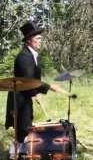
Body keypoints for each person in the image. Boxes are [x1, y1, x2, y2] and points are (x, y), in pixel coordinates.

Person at [5, 21, 63, 152]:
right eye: (37, 38)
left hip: (26, 96)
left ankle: (19, 156)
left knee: (26, 127)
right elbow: (29, 80)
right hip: (19, 99)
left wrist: (35, 93)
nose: (40, 40)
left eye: (40, 38)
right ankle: (11, 159)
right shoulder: (24, 57)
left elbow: (33, 79)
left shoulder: (32, 55)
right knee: (22, 130)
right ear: (29, 41)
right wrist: (49, 87)